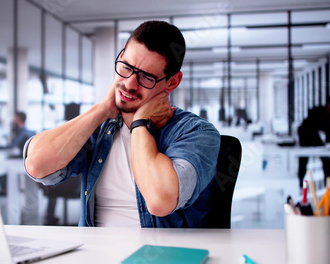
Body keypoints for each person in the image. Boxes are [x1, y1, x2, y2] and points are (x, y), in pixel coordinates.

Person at [24, 21, 220, 228]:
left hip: (158, 255)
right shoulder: (100, 128)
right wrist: (101, 110)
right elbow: (37, 165)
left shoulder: (196, 133)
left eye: (146, 77)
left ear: (172, 82)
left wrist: (140, 123)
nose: (129, 83)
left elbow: (159, 201)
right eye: (126, 67)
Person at [0, 112, 35, 195]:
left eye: (15, 118)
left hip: (25, 157)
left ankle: (5, 188)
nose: (13, 120)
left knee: (5, 161)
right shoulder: (28, 131)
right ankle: (6, 188)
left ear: (18, 119)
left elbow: (12, 146)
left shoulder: (23, 132)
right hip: (30, 157)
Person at [297, 103, 330, 188]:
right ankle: (300, 182)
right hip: (306, 132)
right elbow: (325, 127)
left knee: (325, 159)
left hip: (311, 132)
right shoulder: (319, 111)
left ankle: (327, 182)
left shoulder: (325, 113)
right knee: (304, 159)